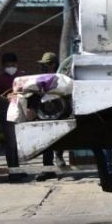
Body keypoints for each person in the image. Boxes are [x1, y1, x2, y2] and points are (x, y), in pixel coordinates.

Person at [35, 52, 66, 181]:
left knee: (59, 138)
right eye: (43, 65)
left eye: (46, 65)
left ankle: (58, 156)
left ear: (53, 64)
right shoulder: (41, 78)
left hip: (60, 111)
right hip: (45, 112)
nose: (43, 67)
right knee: (45, 142)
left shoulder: (61, 77)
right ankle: (48, 169)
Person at [0, 53, 27, 182]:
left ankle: (17, 169)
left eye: (13, 64)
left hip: (20, 112)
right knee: (11, 143)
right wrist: (7, 99)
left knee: (18, 144)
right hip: (6, 114)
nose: (11, 67)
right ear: (3, 66)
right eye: (8, 65)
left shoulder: (22, 76)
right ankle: (12, 172)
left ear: (17, 63)